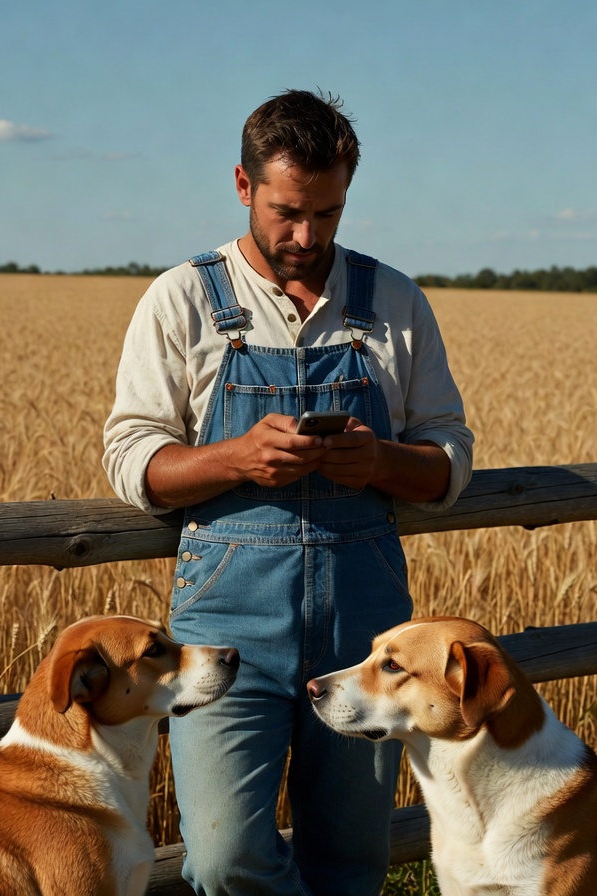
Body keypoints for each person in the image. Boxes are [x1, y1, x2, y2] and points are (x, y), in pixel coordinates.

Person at [102, 89, 474, 896]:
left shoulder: (394, 302)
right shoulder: (184, 299)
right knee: (225, 856)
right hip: (227, 627)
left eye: (328, 214)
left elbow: (449, 459)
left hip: (366, 631)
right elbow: (133, 460)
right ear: (243, 186)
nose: (306, 237)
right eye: (286, 212)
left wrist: (378, 463)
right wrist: (235, 459)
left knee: (350, 865)